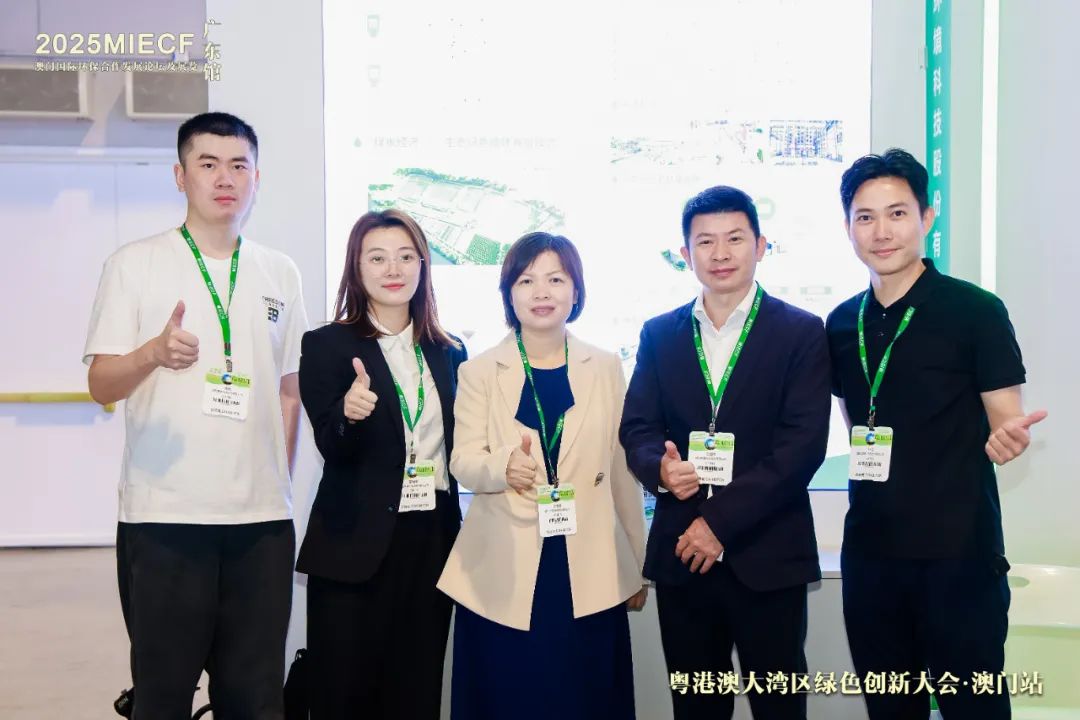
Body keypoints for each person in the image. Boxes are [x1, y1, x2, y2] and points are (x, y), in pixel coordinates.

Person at [84, 111, 308, 718]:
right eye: (208, 164)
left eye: (239, 165)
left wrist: (278, 484)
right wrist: (152, 354)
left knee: (255, 698)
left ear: (256, 179)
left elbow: (289, 393)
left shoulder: (279, 272)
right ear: (181, 176)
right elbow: (100, 384)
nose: (225, 178)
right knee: (162, 696)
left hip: (261, 525)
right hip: (165, 518)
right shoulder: (135, 263)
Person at [828, 148, 1047, 720]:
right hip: (872, 559)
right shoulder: (840, 322)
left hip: (958, 559)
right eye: (865, 217)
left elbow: (1006, 420)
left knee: (973, 708)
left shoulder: (975, 311)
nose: (881, 232)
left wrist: (1008, 440)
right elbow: (858, 425)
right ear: (848, 227)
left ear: (927, 217)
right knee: (889, 709)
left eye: (897, 213)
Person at [619, 186, 830, 720]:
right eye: (705, 242)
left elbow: (802, 445)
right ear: (685, 254)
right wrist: (660, 469)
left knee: (779, 706)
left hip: (768, 553)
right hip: (683, 557)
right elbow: (638, 427)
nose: (720, 254)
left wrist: (717, 523)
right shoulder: (660, 333)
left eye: (734, 239)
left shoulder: (801, 332)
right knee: (695, 707)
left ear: (760, 246)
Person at [437, 232, 647, 720]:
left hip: (589, 564)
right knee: (509, 699)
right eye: (527, 281)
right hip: (504, 570)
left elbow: (621, 471)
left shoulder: (605, 367)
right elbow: (462, 461)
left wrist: (637, 562)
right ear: (509, 294)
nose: (542, 292)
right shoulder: (480, 370)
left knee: (584, 698)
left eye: (556, 279)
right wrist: (502, 466)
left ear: (576, 291)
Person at [295, 209, 467, 719]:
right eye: (377, 258)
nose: (393, 269)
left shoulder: (450, 351)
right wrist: (347, 415)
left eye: (406, 256)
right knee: (343, 693)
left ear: (422, 266)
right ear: (357, 266)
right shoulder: (326, 345)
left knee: (416, 689)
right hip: (354, 544)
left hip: (430, 541)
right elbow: (332, 445)